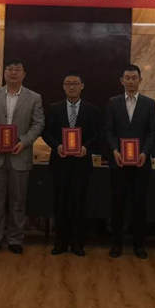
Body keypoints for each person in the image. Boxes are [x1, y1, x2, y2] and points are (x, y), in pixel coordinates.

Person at [0, 59, 44, 254]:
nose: (13, 73)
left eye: (17, 70)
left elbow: (38, 123)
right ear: (4, 73)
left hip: (20, 155)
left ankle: (15, 239)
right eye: (10, 69)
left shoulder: (34, 98)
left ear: (24, 74)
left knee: (18, 201)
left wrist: (24, 141)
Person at [42, 72, 100, 256]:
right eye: (68, 83)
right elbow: (46, 132)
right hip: (60, 163)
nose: (72, 86)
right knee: (60, 203)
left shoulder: (92, 110)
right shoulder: (54, 108)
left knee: (79, 204)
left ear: (82, 86)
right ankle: (60, 242)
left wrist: (86, 148)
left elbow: (98, 135)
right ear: (63, 87)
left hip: (82, 164)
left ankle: (78, 243)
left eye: (75, 83)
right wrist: (57, 146)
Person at [106, 64, 155, 259]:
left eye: (134, 78)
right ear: (121, 81)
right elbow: (109, 131)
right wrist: (114, 150)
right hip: (119, 163)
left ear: (140, 80)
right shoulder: (113, 103)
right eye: (127, 78)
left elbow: (153, 132)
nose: (130, 81)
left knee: (139, 204)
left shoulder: (149, 103)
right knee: (117, 204)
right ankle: (116, 244)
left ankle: (139, 245)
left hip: (141, 163)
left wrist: (145, 152)